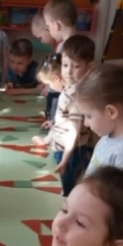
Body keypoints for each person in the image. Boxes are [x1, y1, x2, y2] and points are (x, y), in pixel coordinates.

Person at [33, 34, 94, 196]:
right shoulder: (70, 89)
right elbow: (68, 120)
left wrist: (66, 159)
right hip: (65, 149)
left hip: (70, 152)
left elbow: (73, 131)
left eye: (76, 66)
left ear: (89, 67)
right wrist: (54, 127)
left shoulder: (75, 95)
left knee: (63, 192)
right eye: (65, 65)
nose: (68, 72)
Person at [43, 0, 78, 122]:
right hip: (69, 95)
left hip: (64, 96)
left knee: (57, 123)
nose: (48, 30)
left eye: (48, 26)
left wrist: (49, 84)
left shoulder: (66, 47)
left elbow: (61, 75)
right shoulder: (78, 43)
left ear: (57, 25)